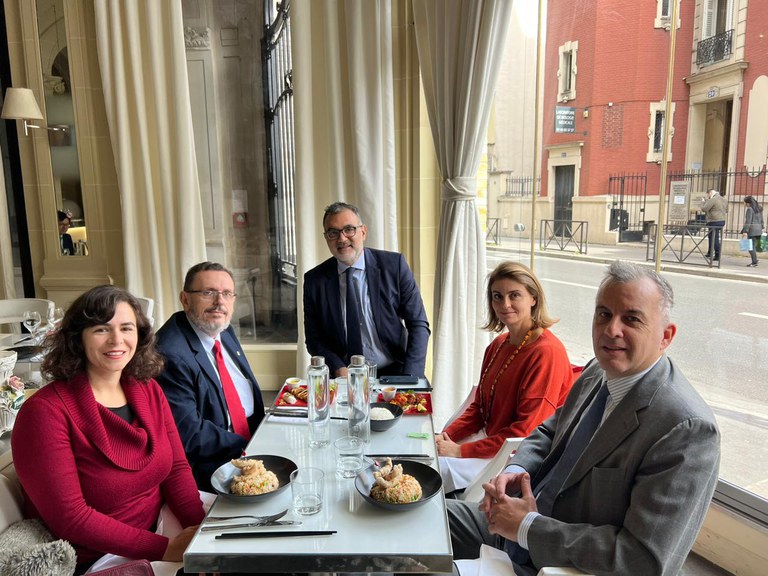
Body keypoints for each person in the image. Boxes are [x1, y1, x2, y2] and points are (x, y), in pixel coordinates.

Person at [447, 260, 720, 576]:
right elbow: (551, 429)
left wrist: (527, 528)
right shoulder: (597, 371)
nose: (611, 329)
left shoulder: (686, 429)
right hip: (515, 524)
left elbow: (642, 559)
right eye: (604, 314)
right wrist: (516, 469)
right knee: (416, 519)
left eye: (631, 318)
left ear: (665, 337)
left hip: (556, 565)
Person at [12, 286, 205, 573]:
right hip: (100, 558)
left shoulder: (148, 388)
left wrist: (200, 531)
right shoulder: (44, 413)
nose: (117, 340)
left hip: (162, 529)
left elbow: (176, 467)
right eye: (101, 329)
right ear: (78, 338)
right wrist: (166, 549)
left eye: (126, 328)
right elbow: (71, 518)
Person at [435, 262, 573, 494]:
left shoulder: (547, 352)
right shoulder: (498, 345)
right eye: (497, 296)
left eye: (514, 295)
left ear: (533, 298)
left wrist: (459, 451)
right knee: (422, 455)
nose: (504, 304)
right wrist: (446, 436)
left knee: (429, 472)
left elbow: (524, 434)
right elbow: (479, 408)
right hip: (490, 441)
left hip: (514, 458)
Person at [156, 262, 265, 492]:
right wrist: (252, 446)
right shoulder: (170, 354)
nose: (219, 302)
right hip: (213, 467)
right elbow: (190, 435)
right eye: (208, 293)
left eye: (226, 294)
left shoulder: (222, 330)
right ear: (185, 299)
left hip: (250, 441)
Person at [303, 201, 430, 377]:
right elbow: (314, 339)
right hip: (345, 376)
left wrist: (410, 378)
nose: (342, 238)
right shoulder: (314, 281)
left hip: (396, 371)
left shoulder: (394, 266)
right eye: (333, 233)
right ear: (326, 238)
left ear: (363, 232)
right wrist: (338, 368)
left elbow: (418, 324)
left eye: (349, 229)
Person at [701, 188, 727, 260]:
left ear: (710, 193)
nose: (708, 197)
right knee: (712, 236)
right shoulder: (724, 199)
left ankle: (717, 255)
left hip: (714, 221)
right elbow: (727, 209)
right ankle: (710, 252)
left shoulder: (713, 199)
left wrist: (703, 202)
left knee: (714, 238)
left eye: (708, 195)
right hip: (722, 220)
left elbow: (704, 209)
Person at [740, 195, 764, 267]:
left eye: (744, 203)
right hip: (758, 230)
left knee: (750, 247)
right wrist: (762, 227)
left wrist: (745, 231)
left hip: (752, 230)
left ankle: (754, 262)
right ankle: (755, 259)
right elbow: (762, 220)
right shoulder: (759, 208)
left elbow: (748, 221)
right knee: (753, 246)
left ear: (748, 203)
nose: (744, 204)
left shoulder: (750, 209)